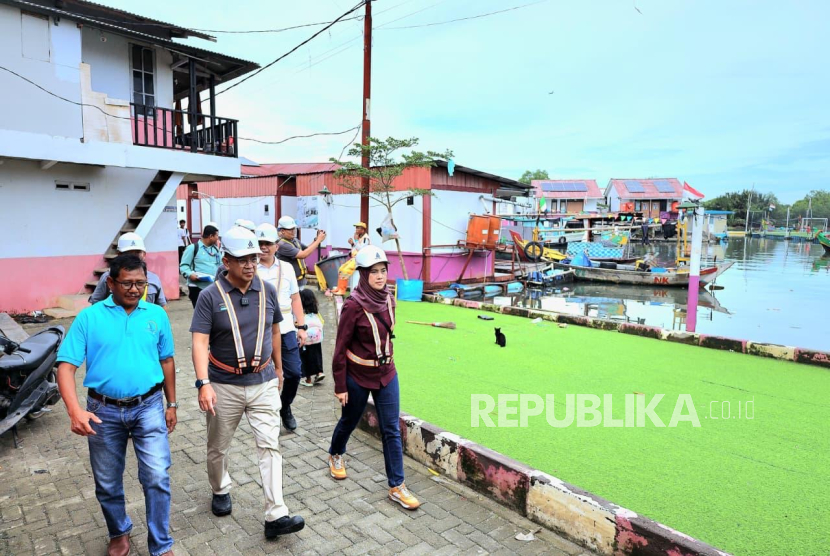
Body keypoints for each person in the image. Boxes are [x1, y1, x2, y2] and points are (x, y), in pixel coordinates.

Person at [56, 254, 178, 556]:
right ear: (110, 283)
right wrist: (74, 410)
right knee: (107, 481)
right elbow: (65, 367)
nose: (135, 289)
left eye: (141, 283)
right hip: (102, 411)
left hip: (148, 406)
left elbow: (167, 360)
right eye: (127, 283)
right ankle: (119, 531)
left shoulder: (156, 315)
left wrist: (171, 403)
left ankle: (161, 544)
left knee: (158, 476)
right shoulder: (90, 317)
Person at [190, 226, 305, 539]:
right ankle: (220, 488)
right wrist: (203, 383)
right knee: (218, 447)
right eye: (243, 259)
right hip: (223, 385)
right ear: (226, 261)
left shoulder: (267, 290)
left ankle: (276, 513)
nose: (251, 264)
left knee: (270, 445)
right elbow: (199, 342)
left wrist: (280, 369)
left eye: (254, 257)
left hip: (264, 381)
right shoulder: (209, 297)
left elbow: (276, 331)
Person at [327, 245, 420, 510]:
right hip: (357, 374)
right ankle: (335, 454)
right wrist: (340, 384)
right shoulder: (353, 306)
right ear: (363, 274)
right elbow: (340, 347)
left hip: (387, 373)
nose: (380, 276)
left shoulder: (389, 298)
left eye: (383, 271)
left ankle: (397, 486)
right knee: (349, 420)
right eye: (373, 272)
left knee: (391, 428)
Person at [255, 222, 306, 431]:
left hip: (285, 328)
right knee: (264, 377)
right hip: (259, 330)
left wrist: (301, 325)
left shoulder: (286, 268)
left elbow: (295, 298)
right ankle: (267, 417)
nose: (263, 248)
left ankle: (285, 407)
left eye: (267, 243)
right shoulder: (250, 268)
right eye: (260, 243)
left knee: (293, 373)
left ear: (277, 245)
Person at [89, 232, 168, 310]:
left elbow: (161, 307)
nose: (132, 257)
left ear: (144, 254)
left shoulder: (154, 279)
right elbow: (96, 304)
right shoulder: (109, 277)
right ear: (119, 255)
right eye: (128, 253)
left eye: (137, 253)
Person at [276, 215, 326, 287]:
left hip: (299, 281)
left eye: (294, 229)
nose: (293, 231)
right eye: (290, 229)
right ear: (282, 231)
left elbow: (306, 249)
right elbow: (303, 255)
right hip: (290, 283)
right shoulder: (282, 245)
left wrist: (316, 239)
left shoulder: (294, 240)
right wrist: (318, 240)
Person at [180, 223, 221, 308]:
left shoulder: (215, 249)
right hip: (197, 288)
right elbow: (184, 266)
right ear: (211, 236)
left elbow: (220, 264)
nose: (218, 238)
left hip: (213, 287)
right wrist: (190, 274)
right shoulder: (193, 248)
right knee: (201, 314)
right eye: (217, 236)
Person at [331, 222, 372, 295]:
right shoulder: (360, 238)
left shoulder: (366, 238)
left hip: (359, 260)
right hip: (354, 259)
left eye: (358, 228)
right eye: (356, 227)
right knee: (341, 269)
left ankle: (342, 290)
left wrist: (355, 241)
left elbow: (361, 249)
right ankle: (339, 288)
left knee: (346, 270)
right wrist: (352, 244)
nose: (356, 229)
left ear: (363, 230)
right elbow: (355, 248)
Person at [299, 288, 324, 387]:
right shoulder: (316, 312)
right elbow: (322, 322)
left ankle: (308, 380)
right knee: (317, 355)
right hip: (316, 339)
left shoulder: (301, 313)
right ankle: (319, 372)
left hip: (305, 340)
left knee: (305, 358)